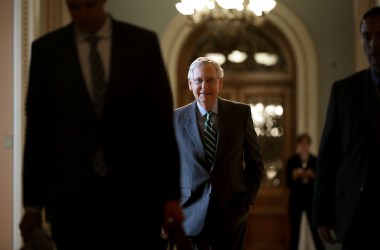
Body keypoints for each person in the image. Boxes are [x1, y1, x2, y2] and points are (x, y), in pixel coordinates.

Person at [18, 0, 184, 249]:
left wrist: (171, 195)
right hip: (71, 198)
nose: (83, 14)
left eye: (90, 5)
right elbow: (39, 131)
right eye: (74, 7)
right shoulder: (48, 51)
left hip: (136, 194)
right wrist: (32, 204)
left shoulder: (141, 44)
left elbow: (160, 125)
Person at [172, 56, 265, 250]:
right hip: (188, 215)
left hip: (231, 215)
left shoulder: (240, 114)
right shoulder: (175, 119)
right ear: (190, 84)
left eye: (210, 79)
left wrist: (245, 202)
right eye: (198, 80)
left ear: (220, 82)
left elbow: (255, 163)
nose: (204, 86)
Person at [312, 6, 380, 250]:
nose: (373, 45)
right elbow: (329, 155)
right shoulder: (344, 91)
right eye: (367, 37)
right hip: (356, 212)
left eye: (379, 36)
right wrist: (322, 213)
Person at [285, 133, 325, 250]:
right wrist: (295, 175)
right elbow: (288, 183)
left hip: (310, 201)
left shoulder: (314, 161)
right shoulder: (292, 161)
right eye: (301, 143)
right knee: (294, 234)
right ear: (298, 145)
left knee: (315, 232)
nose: (303, 146)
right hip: (296, 200)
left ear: (309, 145)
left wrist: (312, 176)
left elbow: (320, 183)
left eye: (306, 143)